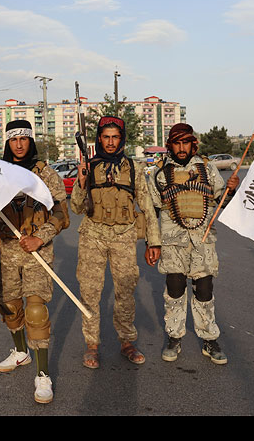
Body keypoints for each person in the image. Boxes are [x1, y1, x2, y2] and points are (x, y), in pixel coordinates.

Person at [0, 120, 69, 404]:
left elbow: (61, 212)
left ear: (31, 141)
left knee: (35, 311)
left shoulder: (45, 173)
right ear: (7, 142)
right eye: (14, 139)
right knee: (10, 307)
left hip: (36, 252)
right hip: (6, 251)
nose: (19, 144)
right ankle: (21, 352)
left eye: (24, 138)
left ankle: (43, 374)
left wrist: (40, 238)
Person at [70, 116, 161, 369]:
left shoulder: (134, 169)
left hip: (124, 236)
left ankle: (126, 342)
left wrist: (154, 242)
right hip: (93, 236)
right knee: (90, 292)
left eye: (115, 137)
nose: (110, 142)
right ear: (99, 139)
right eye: (106, 137)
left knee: (125, 292)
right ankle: (92, 345)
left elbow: (147, 207)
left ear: (122, 140)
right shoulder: (91, 166)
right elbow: (76, 207)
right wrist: (81, 181)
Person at [147, 123, 239, 365]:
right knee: (175, 289)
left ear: (192, 144)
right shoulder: (159, 173)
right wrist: (152, 243)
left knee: (204, 290)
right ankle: (174, 337)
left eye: (185, 143)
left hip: (202, 239)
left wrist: (231, 190)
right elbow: (151, 212)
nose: (181, 148)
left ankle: (209, 339)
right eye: (176, 143)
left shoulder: (207, 168)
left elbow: (221, 200)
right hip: (172, 242)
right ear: (170, 145)